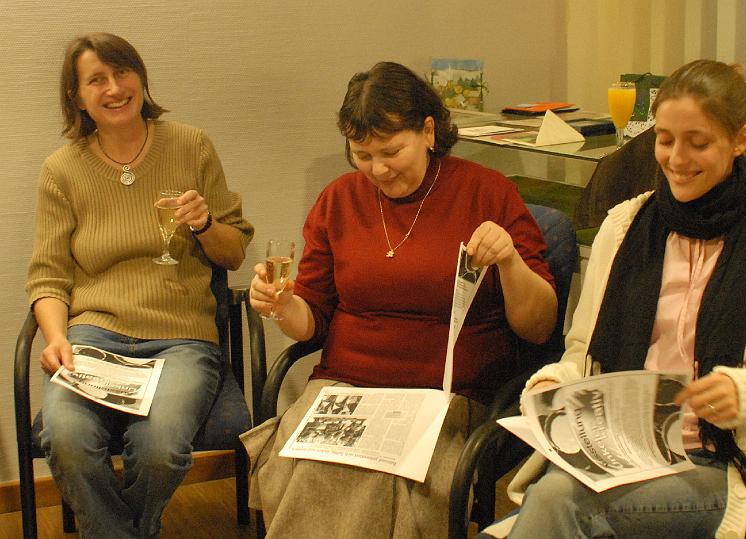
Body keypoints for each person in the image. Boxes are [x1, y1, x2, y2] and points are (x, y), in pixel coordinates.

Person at [244, 61, 557, 537]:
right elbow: (313, 318)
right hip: (346, 388)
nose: (379, 169)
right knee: (314, 465)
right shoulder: (339, 200)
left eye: (391, 151)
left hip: (446, 394)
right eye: (362, 155)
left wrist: (511, 262)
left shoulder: (486, 193)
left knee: (384, 476)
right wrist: (284, 304)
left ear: (429, 132)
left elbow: (539, 327)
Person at [493, 59, 746, 539]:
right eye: (665, 139)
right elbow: (582, 356)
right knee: (560, 499)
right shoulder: (626, 227)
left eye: (698, 143)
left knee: (559, 502)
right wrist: (551, 385)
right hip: (614, 451)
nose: (677, 158)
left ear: (741, 140)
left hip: (716, 464)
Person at [26, 32, 253, 538]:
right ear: (76, 95)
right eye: (96, 79)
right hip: (94, 337)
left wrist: (204, 224)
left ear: (141, 78)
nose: (113, 88)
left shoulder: (190, 144)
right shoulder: (62, 171)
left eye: (122, 73)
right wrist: (57, 338)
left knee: (158, 446)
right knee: (63, 434)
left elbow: (234, 252)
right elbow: (48, 275)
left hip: (181, 337)